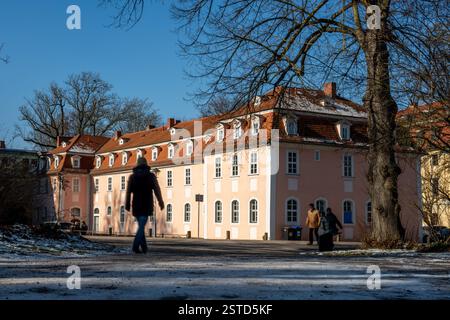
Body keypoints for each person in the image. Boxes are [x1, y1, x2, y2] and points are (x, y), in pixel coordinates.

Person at [125, 157, 164, 254]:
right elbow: (157, 190)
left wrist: (127, 204)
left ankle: (144, 248)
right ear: (146, 165)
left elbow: (128, 192)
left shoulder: (132, 177)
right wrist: (160, 201)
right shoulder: (151, 176)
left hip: (136, 205)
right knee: (142, 226)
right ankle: (135, 246)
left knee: (141, 225)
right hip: (146, 204)